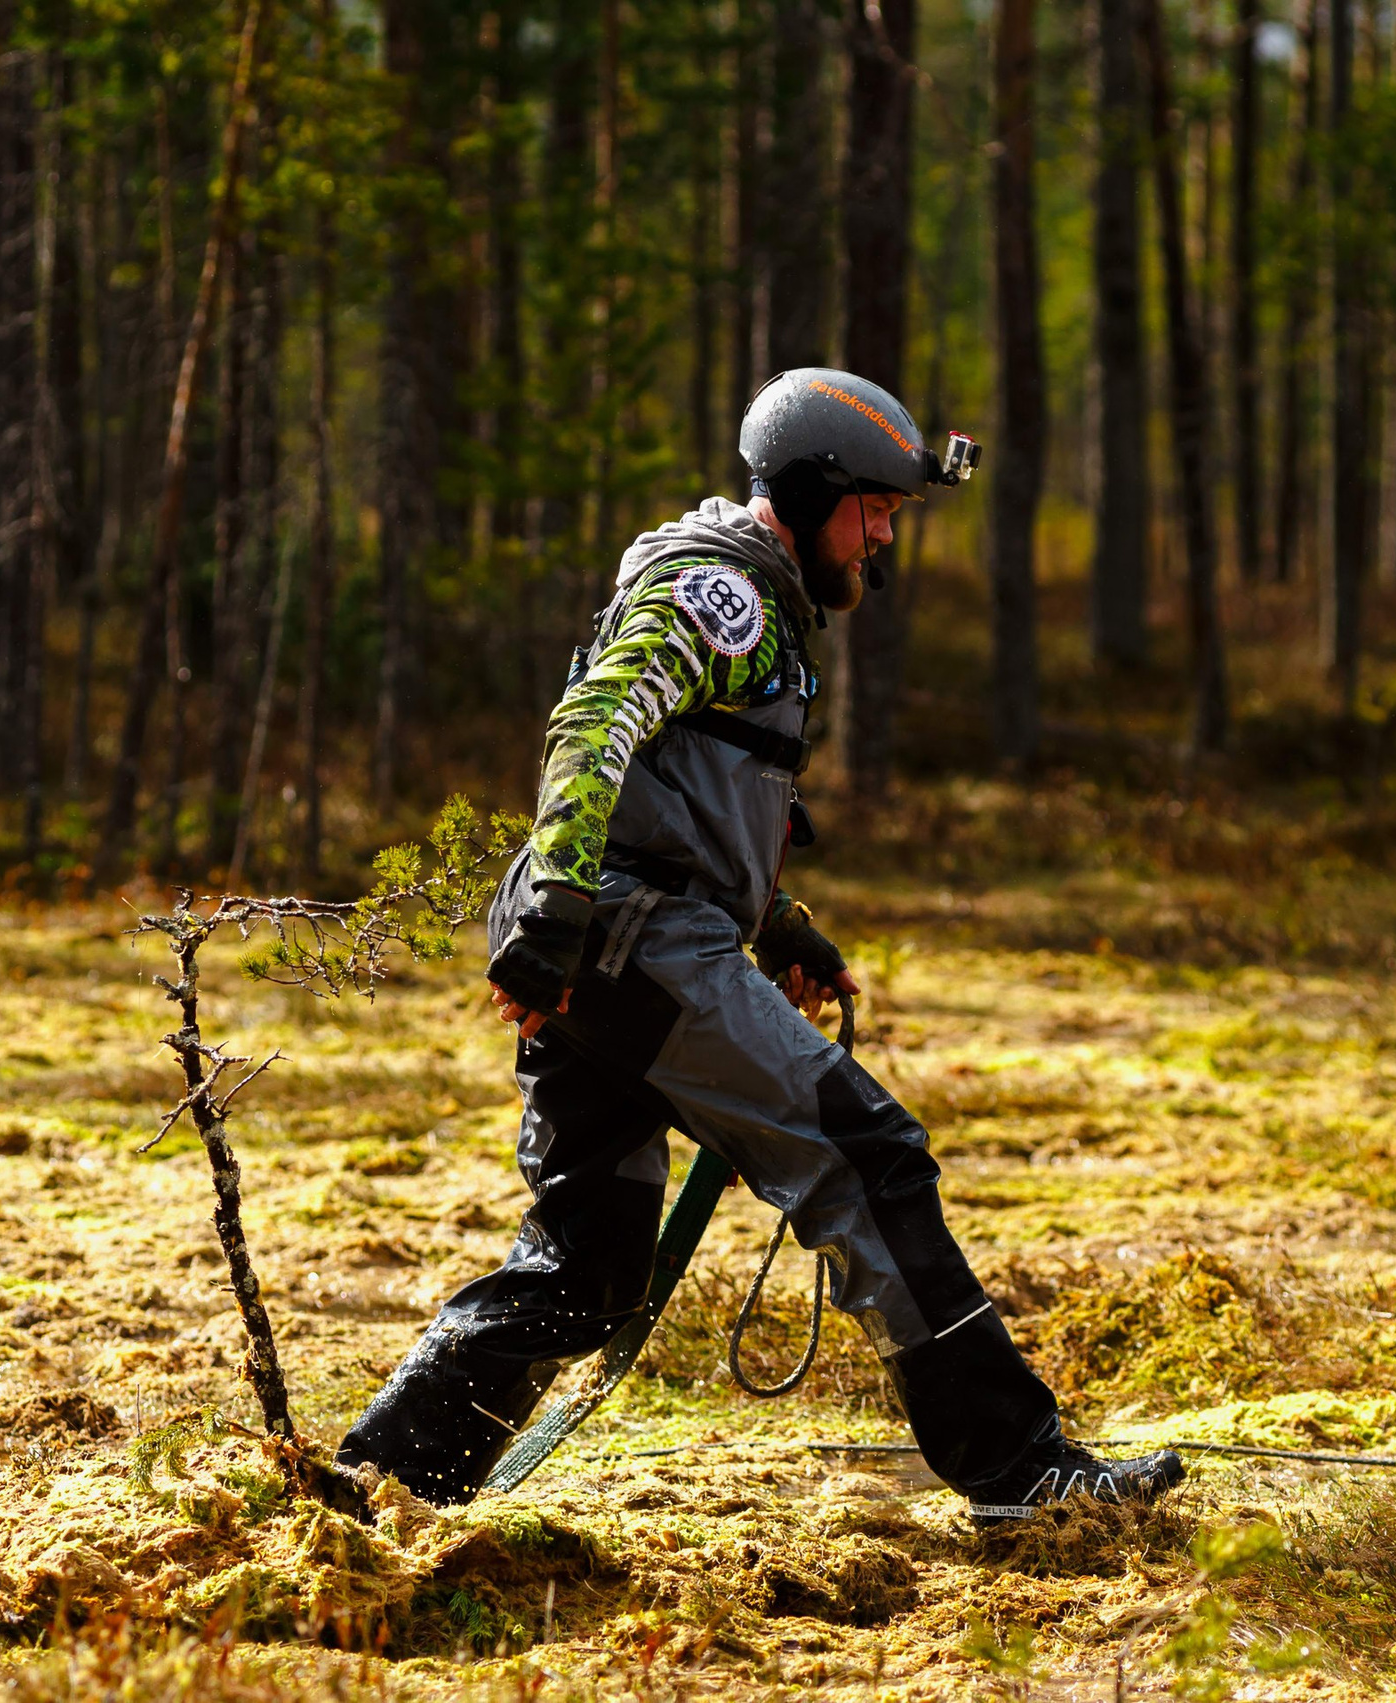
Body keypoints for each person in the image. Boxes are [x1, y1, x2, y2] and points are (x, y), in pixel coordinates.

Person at [336, 368, 1183, 1527]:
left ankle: (371, 1492)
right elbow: (597, 725)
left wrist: (776, 925)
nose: (885, 536)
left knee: (587, 1267)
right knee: (867, 1152)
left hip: (612, 931)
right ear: (805, 487)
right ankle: (1022, 1473)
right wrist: (559, 913)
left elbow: (674, 792)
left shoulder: (764, 601)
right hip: (624, 939)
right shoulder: (720, 596)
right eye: (873, 507)